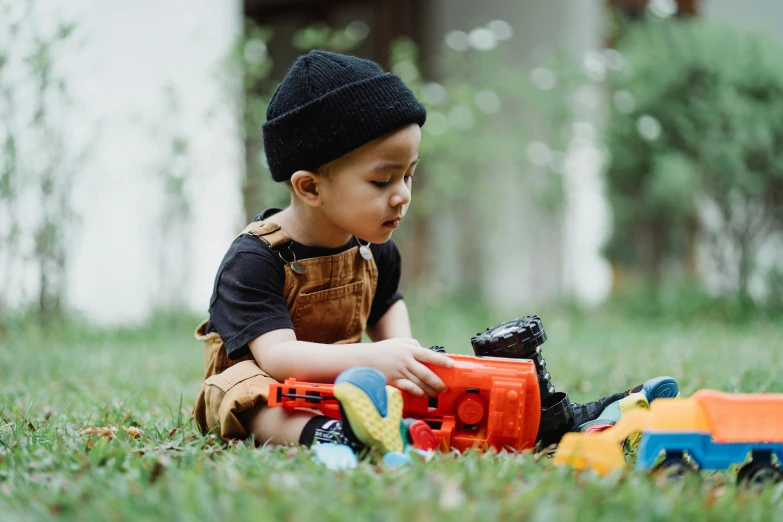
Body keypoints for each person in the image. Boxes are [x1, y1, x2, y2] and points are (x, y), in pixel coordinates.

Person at [192, 50, 677, 459]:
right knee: (252, 398)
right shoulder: (256, 259)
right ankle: (329, 439)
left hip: (352, 383)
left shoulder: (374, 252)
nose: (401, 195)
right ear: (310, 186)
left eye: (409, 175)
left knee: (440, 388)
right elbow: (277, 357)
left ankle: (571, 419)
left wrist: (407, 366)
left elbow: (391, 324)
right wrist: (380, 359)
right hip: (271, 387)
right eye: (382, 181)